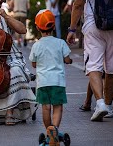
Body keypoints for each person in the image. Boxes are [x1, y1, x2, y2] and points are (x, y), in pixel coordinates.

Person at [67, 0, 113, 121]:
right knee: (112, 68)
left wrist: (72, 29)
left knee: (93, 66)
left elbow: (78, 4)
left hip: (93, 27)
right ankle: (109, 107)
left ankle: (101, 103)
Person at [29, 9, 72, 145]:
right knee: (57, 107)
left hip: (43, 82)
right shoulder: (60, 43)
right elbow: (66, 59)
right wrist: (69, 61)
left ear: (37, 27)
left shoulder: (36, 45)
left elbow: (34, 63)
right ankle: (55, 131)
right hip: (57, 81)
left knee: (46, 108)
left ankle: (49, 133)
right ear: (54, 26)